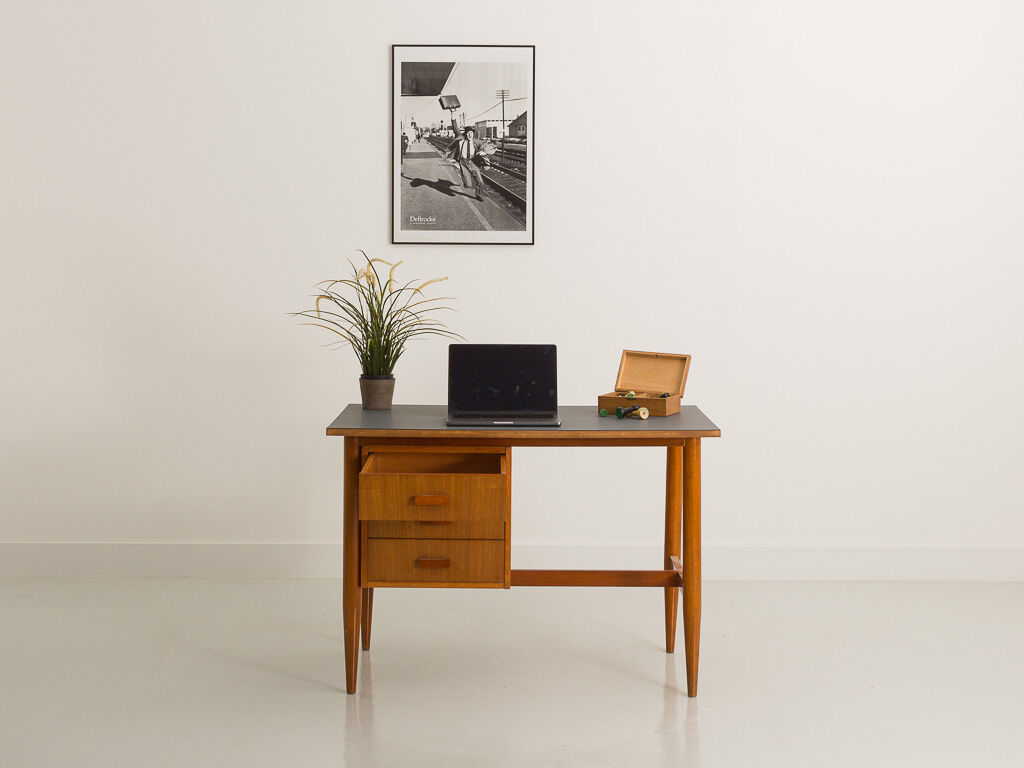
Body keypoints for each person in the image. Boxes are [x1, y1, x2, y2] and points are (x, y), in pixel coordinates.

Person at [444, 127, 485, 201]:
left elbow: (483, 148)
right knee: (468, 185)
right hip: (463, 162)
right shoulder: (460, 141)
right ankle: (466, 179)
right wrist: (453, 119)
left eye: (471, 133)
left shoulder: (476, 141)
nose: (470, 135)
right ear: (465, 134)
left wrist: (483, 152)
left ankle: (479, 194)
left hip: (472, 162)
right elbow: (455, 134)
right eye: (468, 133)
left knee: (480, 181)